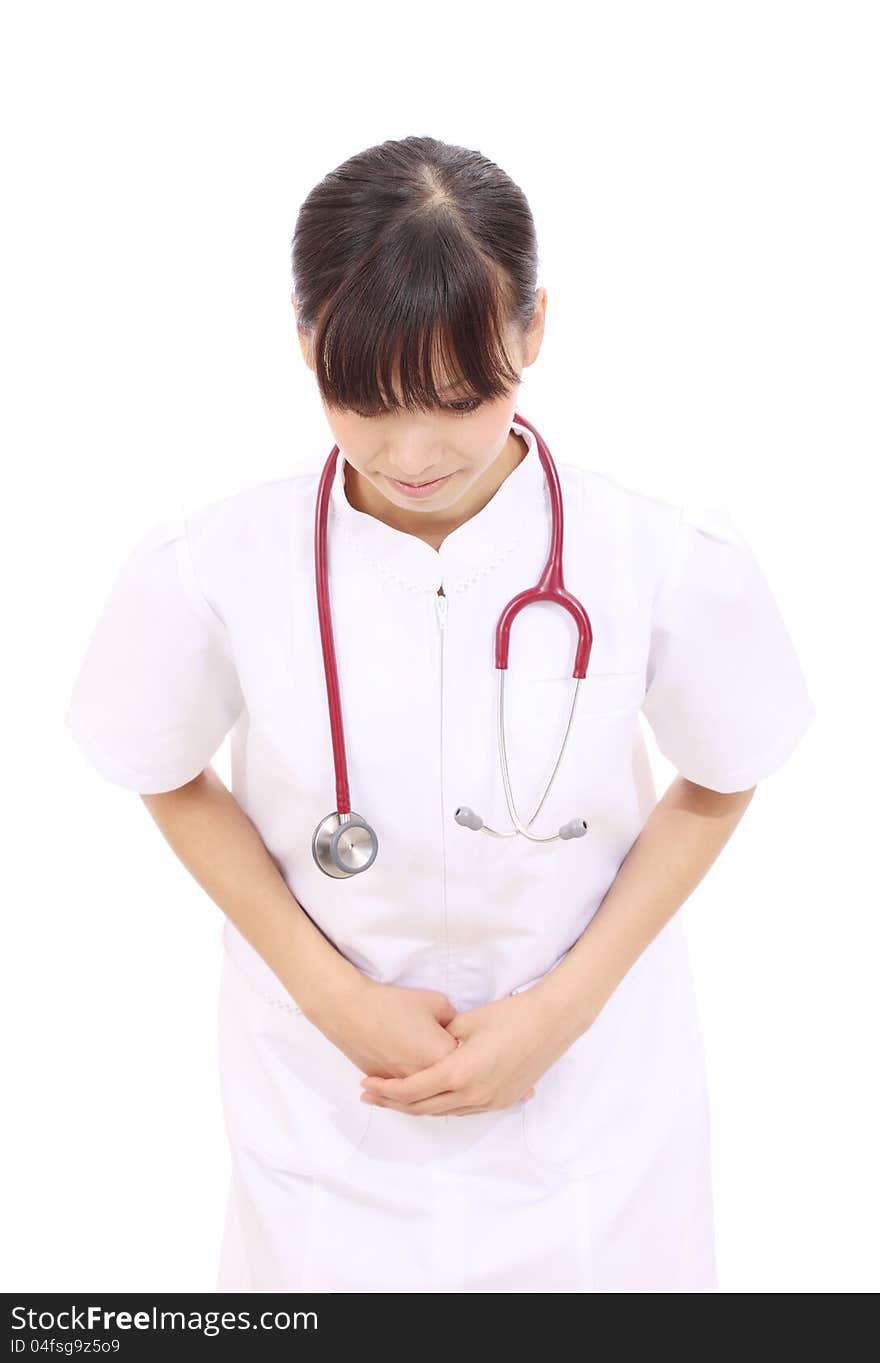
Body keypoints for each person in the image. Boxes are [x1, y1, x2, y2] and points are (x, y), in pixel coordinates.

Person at [64, 135, 816, 1293]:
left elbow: (720, 776)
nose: (411, 454)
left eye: (460, 401)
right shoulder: (213, 564)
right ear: (308, 340)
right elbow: (163, 766)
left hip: (590, 1131)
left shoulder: (658, 558)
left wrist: (559, 1011)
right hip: (329, 1125)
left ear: (532, 332)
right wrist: (334, 997)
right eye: (361, 400)